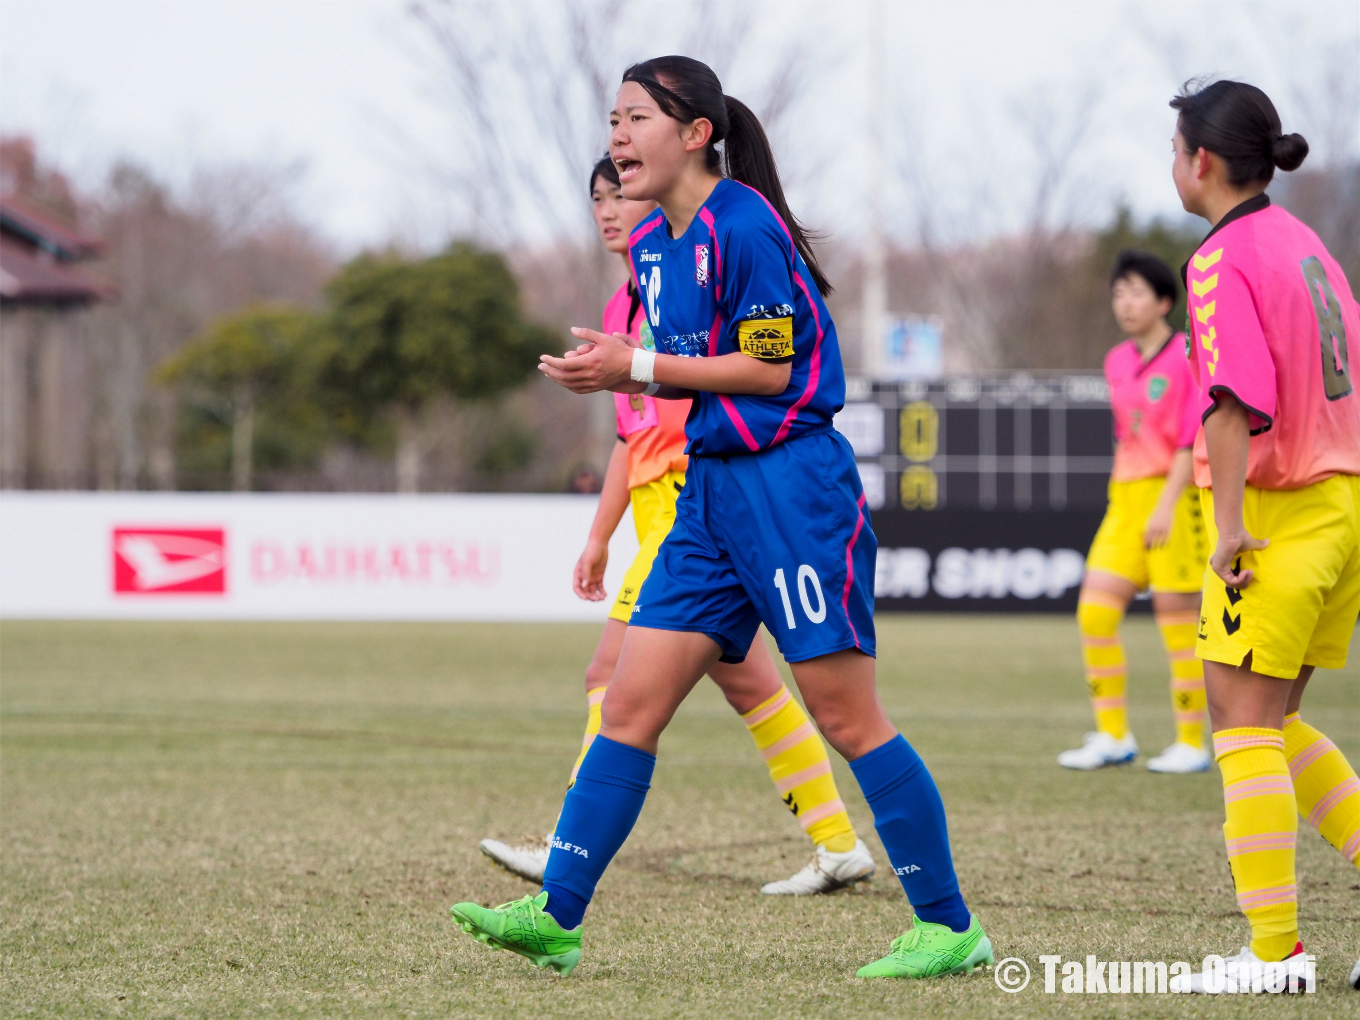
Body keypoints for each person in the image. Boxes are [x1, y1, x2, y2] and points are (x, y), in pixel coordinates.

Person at [451, 55, 993, 981]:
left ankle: (950, 928)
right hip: (709, 493)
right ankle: (557, 916)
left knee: (845, 717)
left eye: (636, 119)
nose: (616, 137)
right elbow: (676, 369)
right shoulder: (655, 246)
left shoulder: (744, 224)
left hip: (789, 488)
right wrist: (626, 369)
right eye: (612, 120)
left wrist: (638, 367)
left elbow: (770, 371)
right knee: (627, 701)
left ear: (698, 133)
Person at [478, 155, 875, 896]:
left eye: (620, 190)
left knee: (622, 679)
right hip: (672, 512)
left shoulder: (694, 284)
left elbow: (753, 375)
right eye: (597, 196)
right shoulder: (623, 309)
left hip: (700, 507)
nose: (609, 207)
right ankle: (837, 841)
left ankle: (567, 850)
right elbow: (630, 439)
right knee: (750, 688)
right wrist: (599, 534)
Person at [1158, 79, 1360, 995]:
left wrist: (1230, 528)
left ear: (1200, 160)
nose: (1171, 163)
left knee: (1239, 728)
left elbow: (1233, 402)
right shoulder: (1305, 242)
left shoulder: (1219, 259)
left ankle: (1276, 956)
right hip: (1343, 505)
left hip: (1279, 513)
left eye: (1173, 148)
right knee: (1272, 722)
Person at [1058, 251, 1211, 773]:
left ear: (1165, 301)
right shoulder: (1116, 361)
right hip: (1124, 502)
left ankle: (1192, 743)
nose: (1125, 302)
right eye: (1119, 292)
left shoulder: (1187, 356)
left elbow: (1192, 439)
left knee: (1178, 626)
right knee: (1094, 613)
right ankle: (1113, 736)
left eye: (1137, 292)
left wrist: (1167, 505)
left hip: (1175, 499)